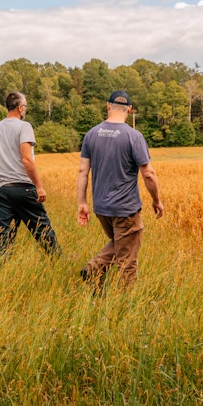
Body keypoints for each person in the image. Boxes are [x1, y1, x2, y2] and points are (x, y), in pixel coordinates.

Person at [77, 90, 164, 290]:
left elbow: (83, 171)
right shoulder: (133, 136)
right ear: (129, 109)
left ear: (108, 106)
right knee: (128, 260)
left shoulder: (91, 134)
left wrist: (82, 203)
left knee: (121, 243)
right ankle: (122, 297)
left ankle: (95, 275)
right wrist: (156, 200)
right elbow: (148, 173)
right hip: (125, 209)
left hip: (101, 208)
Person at [0, 92, 60, 262]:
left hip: (1, 189)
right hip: (22, 188)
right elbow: (27, 159)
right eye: (25, 106)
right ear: (20, 108)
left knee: (5, 233)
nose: (25, 109)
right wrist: (39, 186)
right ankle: (58, 262)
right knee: (42, 229)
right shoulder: (24, 127)